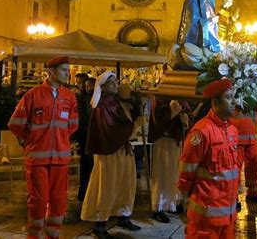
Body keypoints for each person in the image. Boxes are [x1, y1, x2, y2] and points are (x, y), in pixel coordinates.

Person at [7, 56, 78, 239]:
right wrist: (30, 140)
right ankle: (34, 236)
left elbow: (72, 125)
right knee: (38, 201)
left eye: (67, 70)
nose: (67, 74)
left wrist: (59, 140)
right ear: (52, 71)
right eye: (63, 70)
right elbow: (15, 124)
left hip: (60, 159)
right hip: (37, 159)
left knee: (59, 200)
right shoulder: (33, 95)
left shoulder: (69, 97)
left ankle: (53, 235)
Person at [81, 72, 145, 238]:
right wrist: (134, 126)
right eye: (112, 83)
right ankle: (100, 224)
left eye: (115, 82)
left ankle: (123, 216)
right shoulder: (102, 105)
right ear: (103, 86)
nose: (116, 85)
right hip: (109, 151)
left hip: (122, 149)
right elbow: (111, 130)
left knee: (126, 184)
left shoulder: (117, 101)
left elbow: (125, 119)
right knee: (107, 186)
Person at [177, 79, 239, 239]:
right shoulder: (202, 131)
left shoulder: (232, 130)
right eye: (229, 97)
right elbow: (187, 170)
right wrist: (185, 198)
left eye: (234, 96)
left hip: (228, 217)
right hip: (205, 219)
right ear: (215, 102)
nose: (234, 101)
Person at [148, 99, 188, 223]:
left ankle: (171, 203)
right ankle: (158, 208)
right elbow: (159, 125)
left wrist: (185, 121)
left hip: (175, 142)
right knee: (162, 174)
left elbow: (187, 116)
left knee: (173, 174)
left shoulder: (181, 101)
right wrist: (172, 113)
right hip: (163, 142)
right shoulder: (160, 103)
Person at [230, 106, 257, 210]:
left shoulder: (250, 100)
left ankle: (252, 193)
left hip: (251, 138)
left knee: (253, 165)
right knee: (235, 169)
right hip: (237, 140)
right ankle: (233, 198)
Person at [75, 73, 94, 201]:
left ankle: (86, 192)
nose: (82, 86)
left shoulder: (86, 97)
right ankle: (84, 192)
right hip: (86, 135)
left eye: (84, 83)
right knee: (87, 164)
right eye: (79, 83)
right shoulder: (82, 98)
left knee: (88, 164)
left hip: (88, 135)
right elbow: (84, 116)